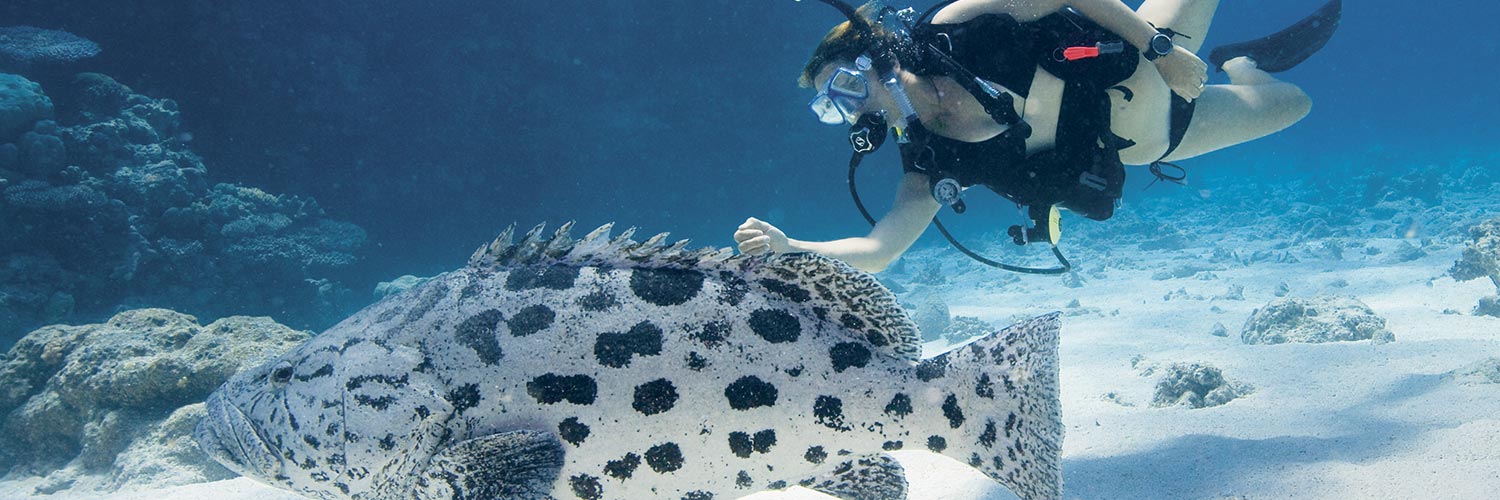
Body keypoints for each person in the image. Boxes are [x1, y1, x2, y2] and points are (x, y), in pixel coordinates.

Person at [734, 0, 1340, 273]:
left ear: (877, 58)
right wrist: (794, 248)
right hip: (1164, 136)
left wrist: (1161, 50)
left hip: (1152, 58)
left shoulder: (956, 32)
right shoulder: (929, 155)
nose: (846, 111)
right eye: (827, 109)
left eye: (841, 87)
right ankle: (1243, 65)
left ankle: (1208, 60)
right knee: (1300, 104)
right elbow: (882, 249)